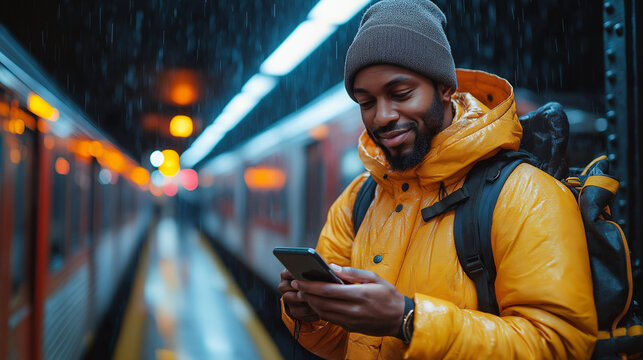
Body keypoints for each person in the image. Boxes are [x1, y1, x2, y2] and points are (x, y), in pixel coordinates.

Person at [278, 0, 598, 358]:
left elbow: (562, 345)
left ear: (445, 87)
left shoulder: (528, 195)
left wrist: (409, 321)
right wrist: (311, 314)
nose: (382, 116)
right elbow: (338, 344)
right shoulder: (358, 200)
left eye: (401, 94)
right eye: (366, 102)